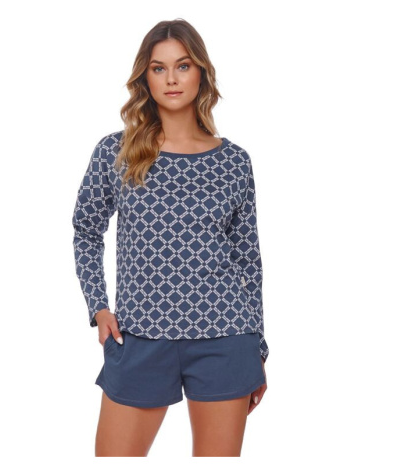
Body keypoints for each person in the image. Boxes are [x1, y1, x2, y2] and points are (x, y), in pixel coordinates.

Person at [72, 18, 269, 457]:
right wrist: (98, 307)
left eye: (183, 65)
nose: (172, 79)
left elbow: (248, 260)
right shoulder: (116, 151)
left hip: (225, 336)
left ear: (201, 72)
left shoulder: (235, 162)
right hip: (139, 335)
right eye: (158, 68)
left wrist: (258, 347)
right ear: (145, 77)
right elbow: (86, 230)